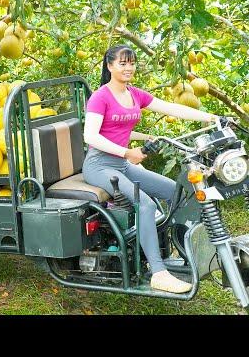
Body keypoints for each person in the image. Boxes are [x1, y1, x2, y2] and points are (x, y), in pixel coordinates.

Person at [82, 44, 219, 294]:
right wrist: (127, 151)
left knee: (178, 192)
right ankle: (158, 273)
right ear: (110, 65)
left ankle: (180, 251)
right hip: (100, 165)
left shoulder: (134, 94)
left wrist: (209, 118)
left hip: (123, 164)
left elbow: (170, 107)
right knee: (144, 204)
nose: (128, 67)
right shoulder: (100, 96)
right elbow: (90, 136)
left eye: (132, 62)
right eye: (122, 63)